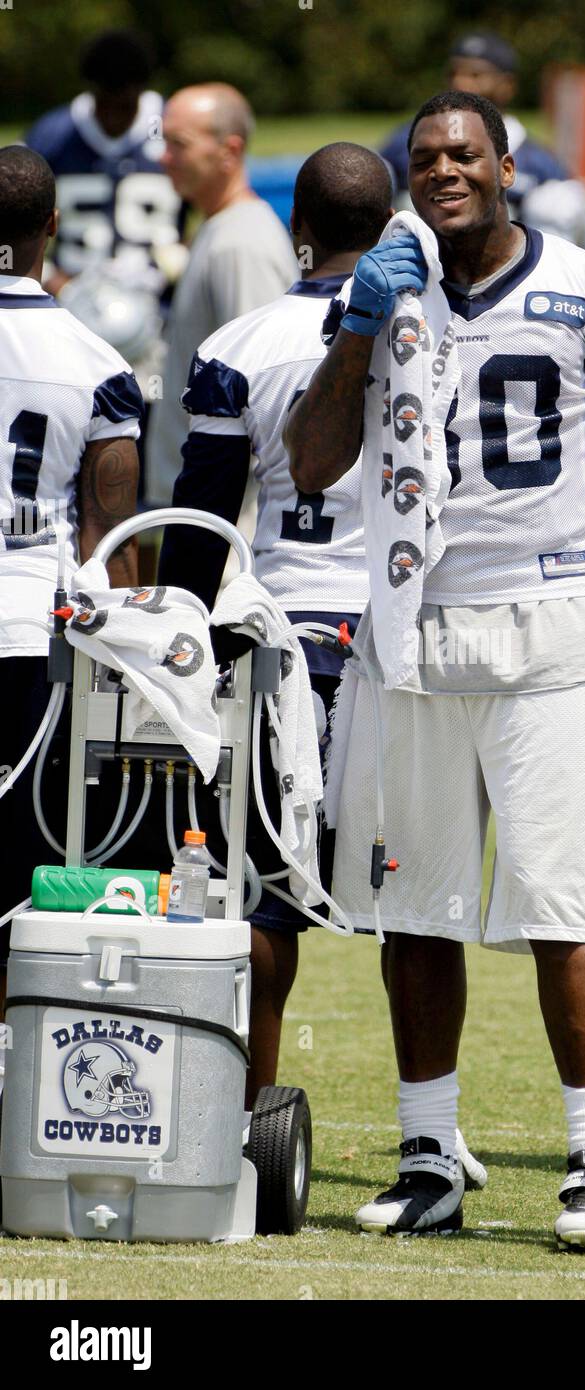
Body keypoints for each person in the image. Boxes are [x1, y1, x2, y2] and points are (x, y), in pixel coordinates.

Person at [286, 91, 585, 1249]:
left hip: (552, 619)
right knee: (416, 910)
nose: (443, 171)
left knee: (562, 907)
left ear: (506, 164)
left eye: (464, 152)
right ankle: (429, 1158)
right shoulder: (386, 283)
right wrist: (357, 327)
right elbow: (313, 466)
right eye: (423, 158)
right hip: (413, 627)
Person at [156, 143, 392, 1104]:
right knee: (412, 896)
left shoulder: (238, 346)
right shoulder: (434, 332)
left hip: (274, 633)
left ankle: (242, 1101)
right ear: (390, 230)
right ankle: (430, 1122)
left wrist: (179, 630)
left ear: (299, 230)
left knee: (260, 889)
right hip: (393, 635)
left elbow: (203, 524)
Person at [0, 147, 143, 1030]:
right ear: (52, 226)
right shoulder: (96, 361)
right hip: (27, 636)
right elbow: (108, 546)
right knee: (19, 871)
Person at [145, 84, 299, 508]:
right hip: (202, 513)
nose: (164, 157)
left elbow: (262, 392)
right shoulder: (220, 229)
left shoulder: (241, 243)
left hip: (225, 526)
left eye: (179, 144)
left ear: (229, 150)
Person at [379, 33, 585, 242]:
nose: (460, 83)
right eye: (453, 73)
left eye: (475, 75)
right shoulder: (408, 142)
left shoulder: (541, 164)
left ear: (507, 85)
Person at [23, 29, 182, 297]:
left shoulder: (173, 126)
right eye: (104, 104)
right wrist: (49, 276)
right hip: (73, 302)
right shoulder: (54, 135)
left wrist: (184, 259)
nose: (112, 118)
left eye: (124, 107)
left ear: (141, 92)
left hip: (160, 301)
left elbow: (216, 204)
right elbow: (12, 220)